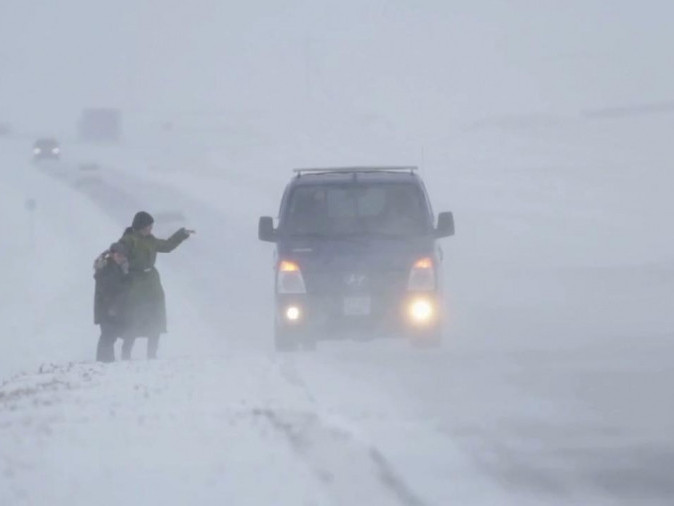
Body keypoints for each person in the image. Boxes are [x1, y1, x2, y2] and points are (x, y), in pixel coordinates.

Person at [119, 211, 193, 360]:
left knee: (155, 317)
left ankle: (152, 354)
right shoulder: (128, 240)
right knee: (134, 317)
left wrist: (182, 234)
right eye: (148, 226)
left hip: (151, 282)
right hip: (135, 282)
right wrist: (124, 267)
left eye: (151, 226)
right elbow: (118, 256)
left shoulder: (151, 240)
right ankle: (126, 354)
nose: (150, 228)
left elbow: (167, 246)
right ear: (140, 226)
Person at [93, 241, 131, 363]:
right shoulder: (106, 268)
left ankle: (106, 361)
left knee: (111, 335)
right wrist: (112, 306)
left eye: (123, 256)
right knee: (108, 335)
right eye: (119, 255)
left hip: (113, 307)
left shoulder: (116, 267)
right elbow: (109, 288)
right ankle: (104, 361)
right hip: (107, 308)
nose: (121, 258)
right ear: (112, 254)